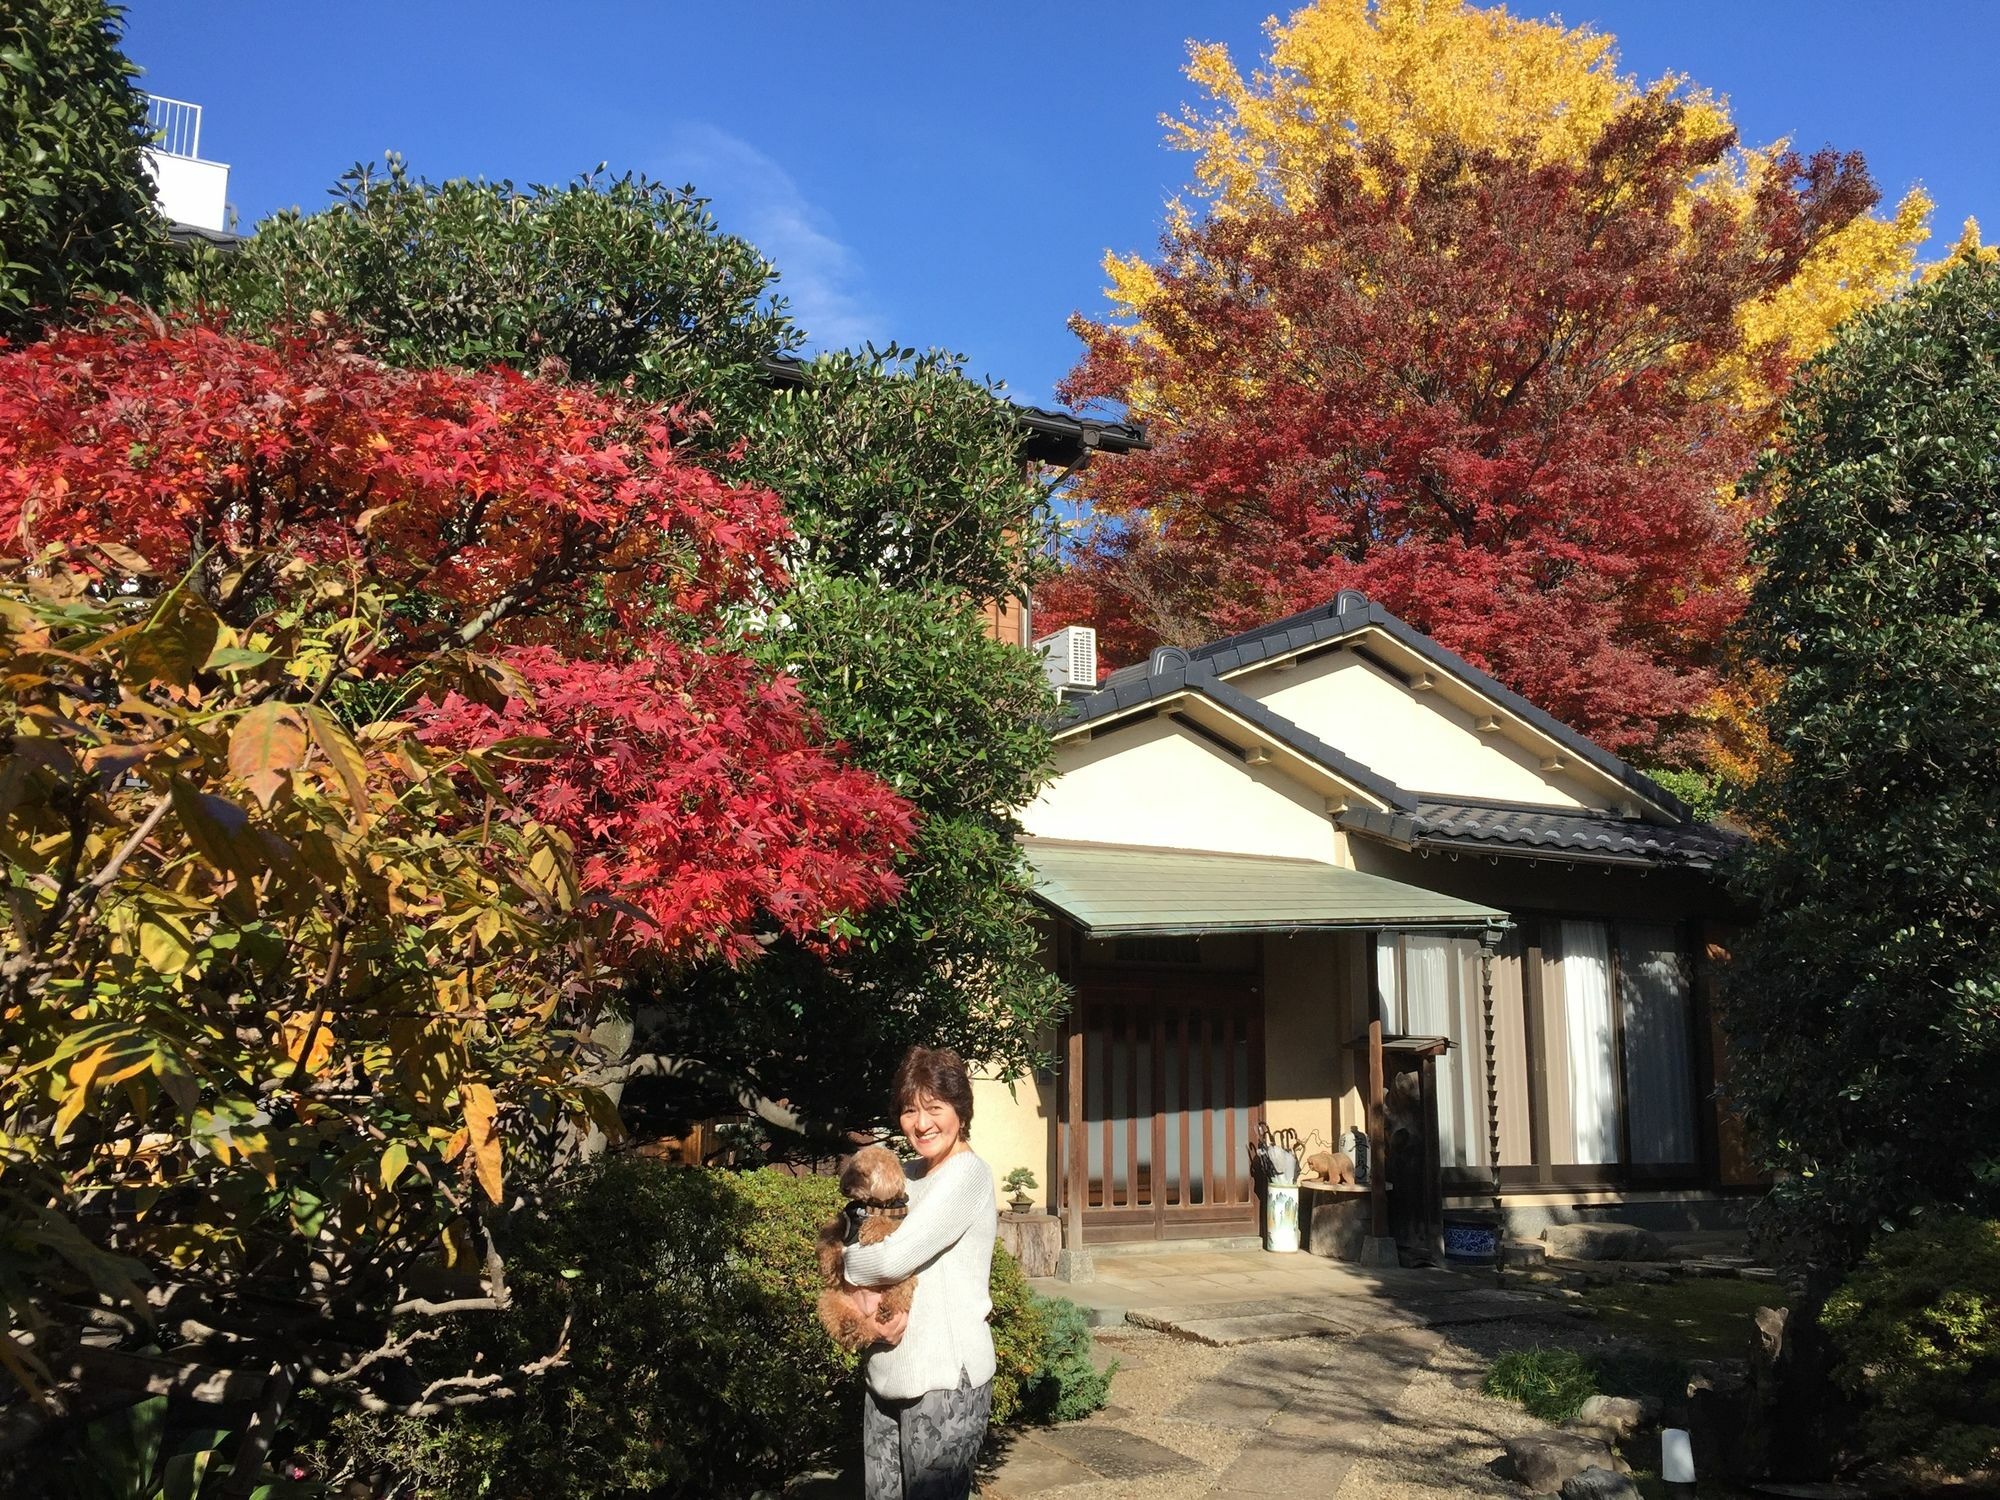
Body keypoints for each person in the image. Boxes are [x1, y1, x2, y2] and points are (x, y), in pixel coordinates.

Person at [842, 1045, 998, 1500]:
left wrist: (852, 1264)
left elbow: (889, 1259)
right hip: (886, 1369)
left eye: (935, 1108)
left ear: (960, 1111)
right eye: (910, 1110)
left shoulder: (967, 1175)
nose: (922, 1123)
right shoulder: (904, 1175)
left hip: (944, 1380)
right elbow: (852, 1228)